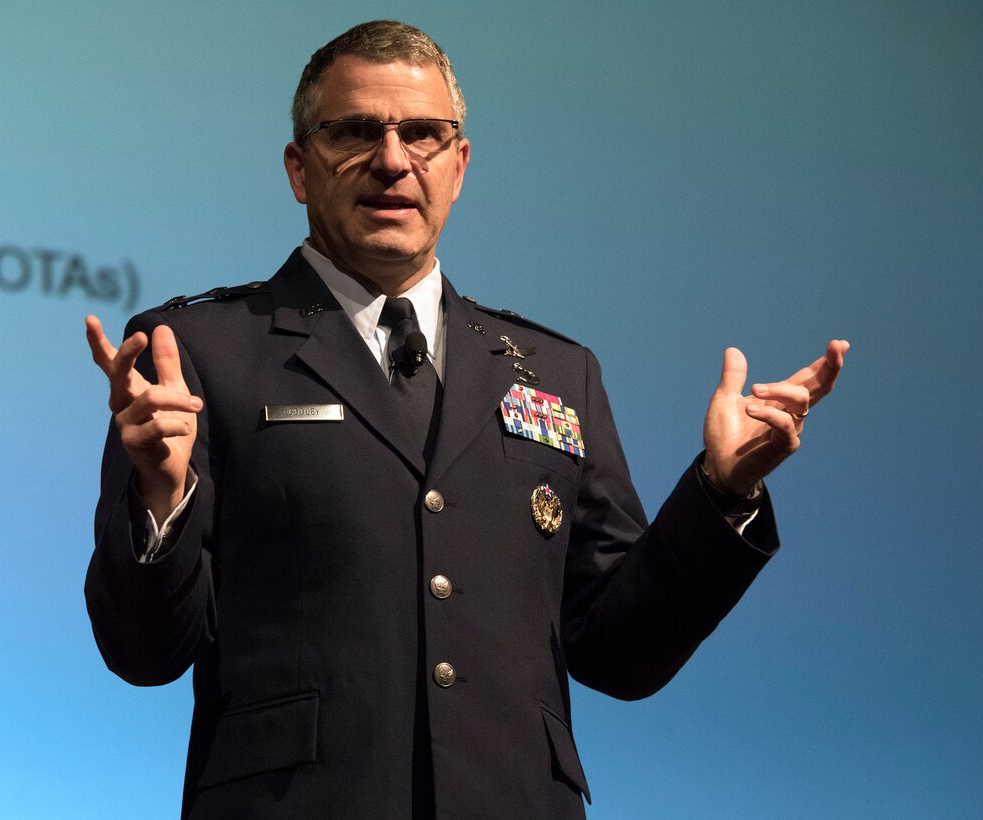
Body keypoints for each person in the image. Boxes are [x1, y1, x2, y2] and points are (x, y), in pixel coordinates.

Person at [84, 20, 848, 820]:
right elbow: (145, 656)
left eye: (422, 134)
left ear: (459, 165)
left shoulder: (559, 371)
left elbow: (621, 655)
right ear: (298, 168)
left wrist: (719, 494)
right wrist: (159, 504)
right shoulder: (192, 354)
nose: (391, 160)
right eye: (353, 132)